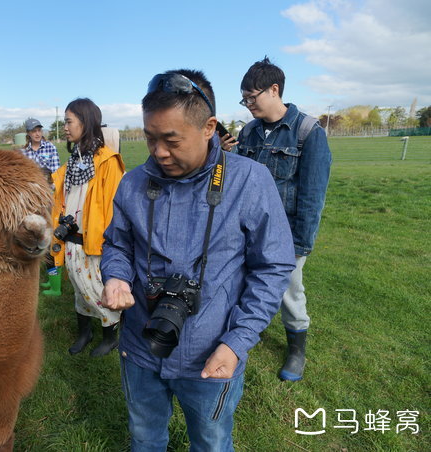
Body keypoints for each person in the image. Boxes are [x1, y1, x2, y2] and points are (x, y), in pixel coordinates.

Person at [100, 69, 295, 451]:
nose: (158, 152)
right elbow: (117, 245)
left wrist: (237, 342)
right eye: (150, 138)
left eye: (171, 140)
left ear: (209, 127)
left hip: (212, 354)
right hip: (141, 346)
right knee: (144, 436)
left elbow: (272, 268)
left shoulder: (250, 181)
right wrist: (116, 277)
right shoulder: (133, 183)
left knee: (211, 442)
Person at [233, 57, 332, 382]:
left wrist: (300, 244)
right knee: (244, 283)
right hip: (247, 230)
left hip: (286, 234)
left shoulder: (308, 132)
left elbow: (312, 195)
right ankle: (248, 332)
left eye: (252, 97)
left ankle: (296, 349)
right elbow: (237, 179)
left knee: (288, 291)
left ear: (274, 90)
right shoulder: (248, 132)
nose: (248, 105)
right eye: (244, 99)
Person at [50, 98, 125, 357]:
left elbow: (116, 208)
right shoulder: (74, 160)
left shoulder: (107, 161)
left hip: (95, 243)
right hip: (71, 240)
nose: (65, 127)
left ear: (86, 121)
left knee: (98, 289)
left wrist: (110, 243)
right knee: (79, 292)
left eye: (69, 122)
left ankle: (110, 337)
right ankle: (85, 332)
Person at [20, 118, 62, 295]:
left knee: (51, 237)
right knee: (34, 236)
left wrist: (45, 189)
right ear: (28, 134)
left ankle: (56, 285)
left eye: (39, 130)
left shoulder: (50, 148)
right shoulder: (23, 153)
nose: (37, 133)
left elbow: (56, 174)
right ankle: (45, 279)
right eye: (33, 131)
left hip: (48, 197)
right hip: (30, 200)